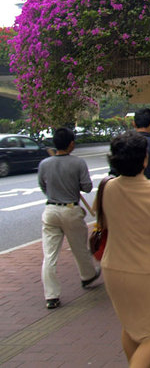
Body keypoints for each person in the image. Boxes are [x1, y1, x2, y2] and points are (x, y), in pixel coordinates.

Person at [99, 132, 150, 367]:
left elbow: (103, 223)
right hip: (146, 269)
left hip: (112, 267)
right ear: (145, 159)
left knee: (131, 326)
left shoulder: (107, 188)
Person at [38, 127, 100, 310]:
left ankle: (51, 296)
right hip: (71, 210)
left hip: (50, 210)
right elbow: (87, 187)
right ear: (71, 144)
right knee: (79, 248)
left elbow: (43, 187)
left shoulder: (44, 164)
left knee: (49, 255)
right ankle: (87, 275)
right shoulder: (78, 163)